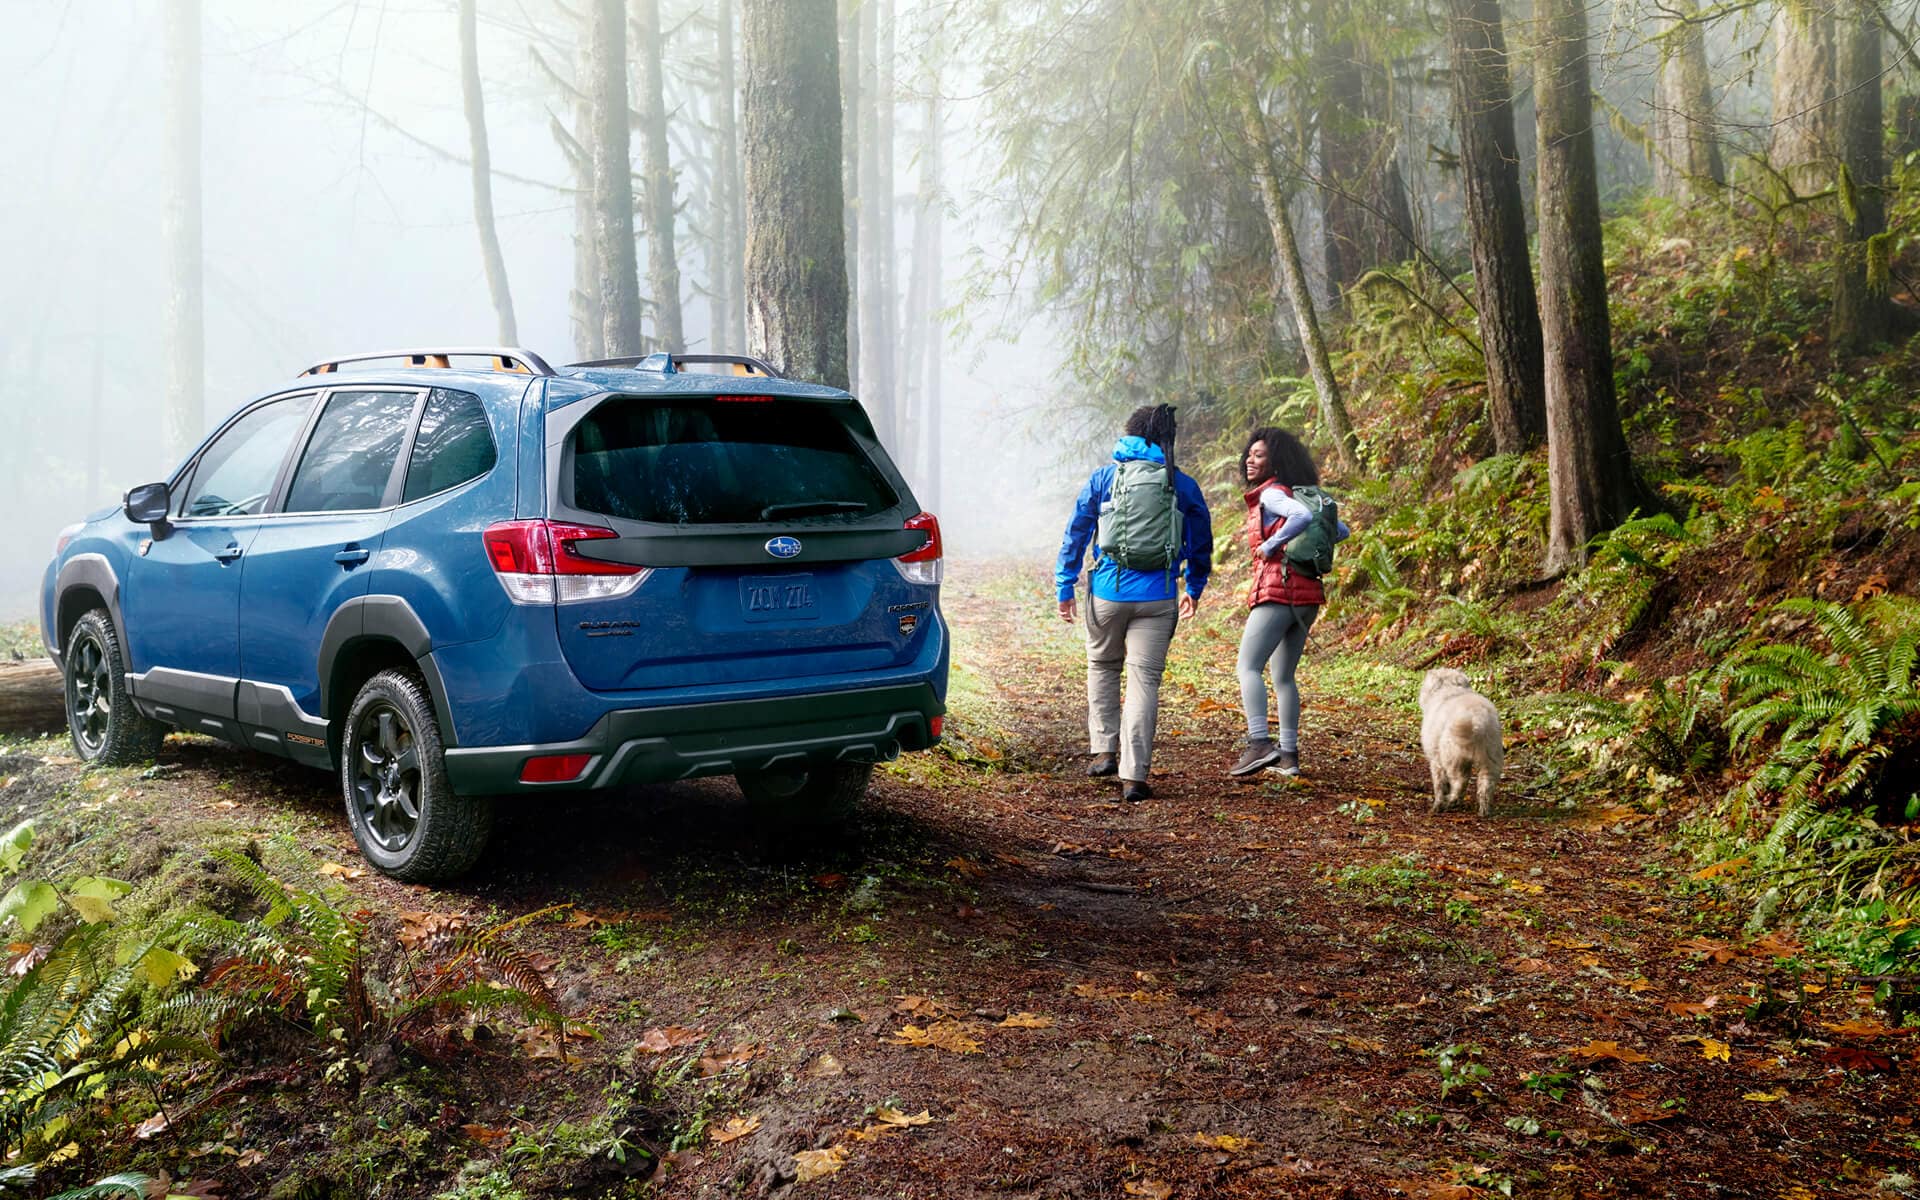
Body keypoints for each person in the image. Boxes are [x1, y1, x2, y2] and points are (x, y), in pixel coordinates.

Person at [1055, 405, 1215, 803]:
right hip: (1158, 597)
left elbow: (1076, 532)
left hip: (1107, 594)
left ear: (1130, 434)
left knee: (1103, 666)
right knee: (1144, 683)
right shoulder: (1180, 484)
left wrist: (1065, 586)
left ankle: (1104, 752)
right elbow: (1200, 543)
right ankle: (1134, 777)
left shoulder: (1105, 478)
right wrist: (1193, 587)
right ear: (1166, 441)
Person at [1230, 427, 1349, 778]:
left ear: (1276, 462)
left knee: (1248, 667)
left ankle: (1259, 743)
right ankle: (1288, 757)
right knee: (1283, 676)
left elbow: (1303, 517)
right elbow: (1340, 531)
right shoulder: (1297, 494)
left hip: (1277, 590)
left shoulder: (1273, 496)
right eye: (1249, 455)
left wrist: (1272, 545)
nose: (1250, 461)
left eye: (1259, 456)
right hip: (1307, 593)